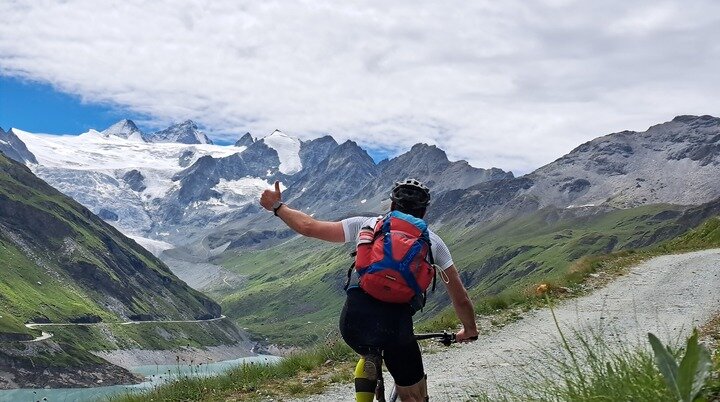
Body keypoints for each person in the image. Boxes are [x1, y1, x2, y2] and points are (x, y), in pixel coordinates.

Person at [260, 178, 479, 402]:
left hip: (354, 322)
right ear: (424, 211)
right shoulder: (433, 243)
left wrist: (277, 207)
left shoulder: (367, 224)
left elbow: (308, 227)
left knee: (368, 349)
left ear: (392, 205)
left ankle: (369, 361)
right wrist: (469, 329)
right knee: (414, 395)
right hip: (396, 326)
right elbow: (460, 298)